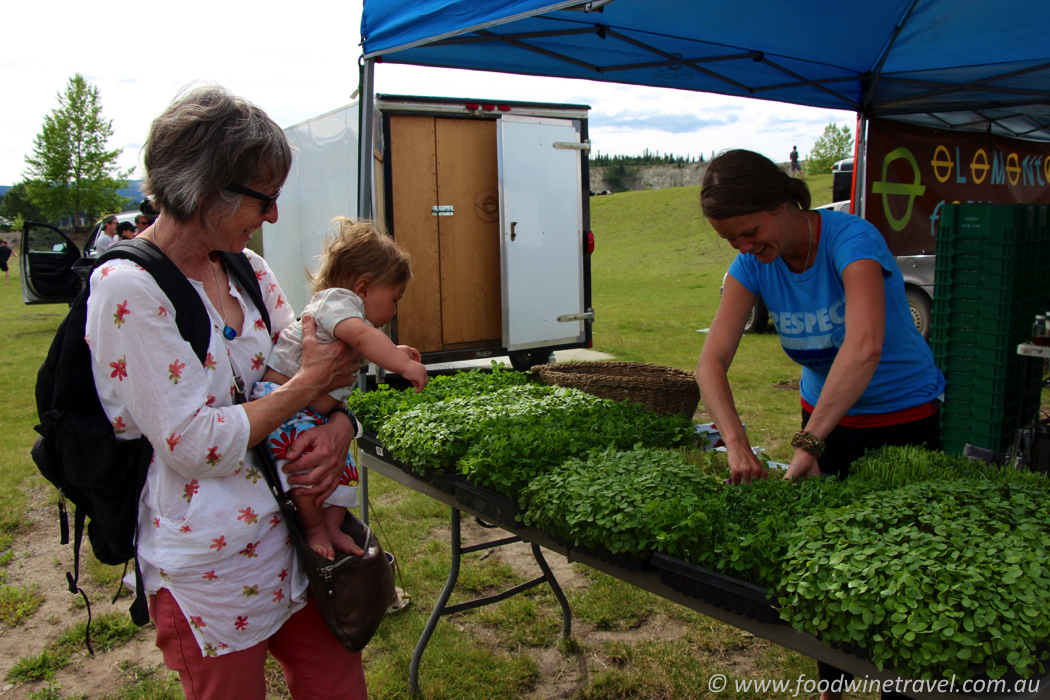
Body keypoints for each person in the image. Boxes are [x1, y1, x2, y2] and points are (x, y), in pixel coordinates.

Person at [84, 83, 368, 700]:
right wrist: (308, 389)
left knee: (338, 685)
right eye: (264, 199)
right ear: (206, 189)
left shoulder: (248, 269)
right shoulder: (127, 288)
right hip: (209, 568)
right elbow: (194, 446)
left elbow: (308, 372)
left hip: (294, 537)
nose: (272, 217)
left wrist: (341, 424)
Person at [694, 149, 945, 700]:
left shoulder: (852, 241)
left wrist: (810, 442)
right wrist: (736, 443)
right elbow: (709, 361)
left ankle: (898, 687)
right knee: (828, 556)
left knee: (899, 561)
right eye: (730, 240)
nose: (744, 247)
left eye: (750, 231)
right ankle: (831, 685)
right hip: (824, 419)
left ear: (785, 202)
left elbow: (865, 346)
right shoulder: (752, 266)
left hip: (902, 419)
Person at [254, 218, 427, 559]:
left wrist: (396, 353)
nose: (393, 313)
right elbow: (363, 338)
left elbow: (363, 344)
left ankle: (331, 524)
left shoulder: (346, 316)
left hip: (310, 414)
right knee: (305, 472)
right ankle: (314, 527)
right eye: (394, 299)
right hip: (284, 409)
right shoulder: (335, 302)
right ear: (363, 288)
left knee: (342, 470)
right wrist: (403, 365)